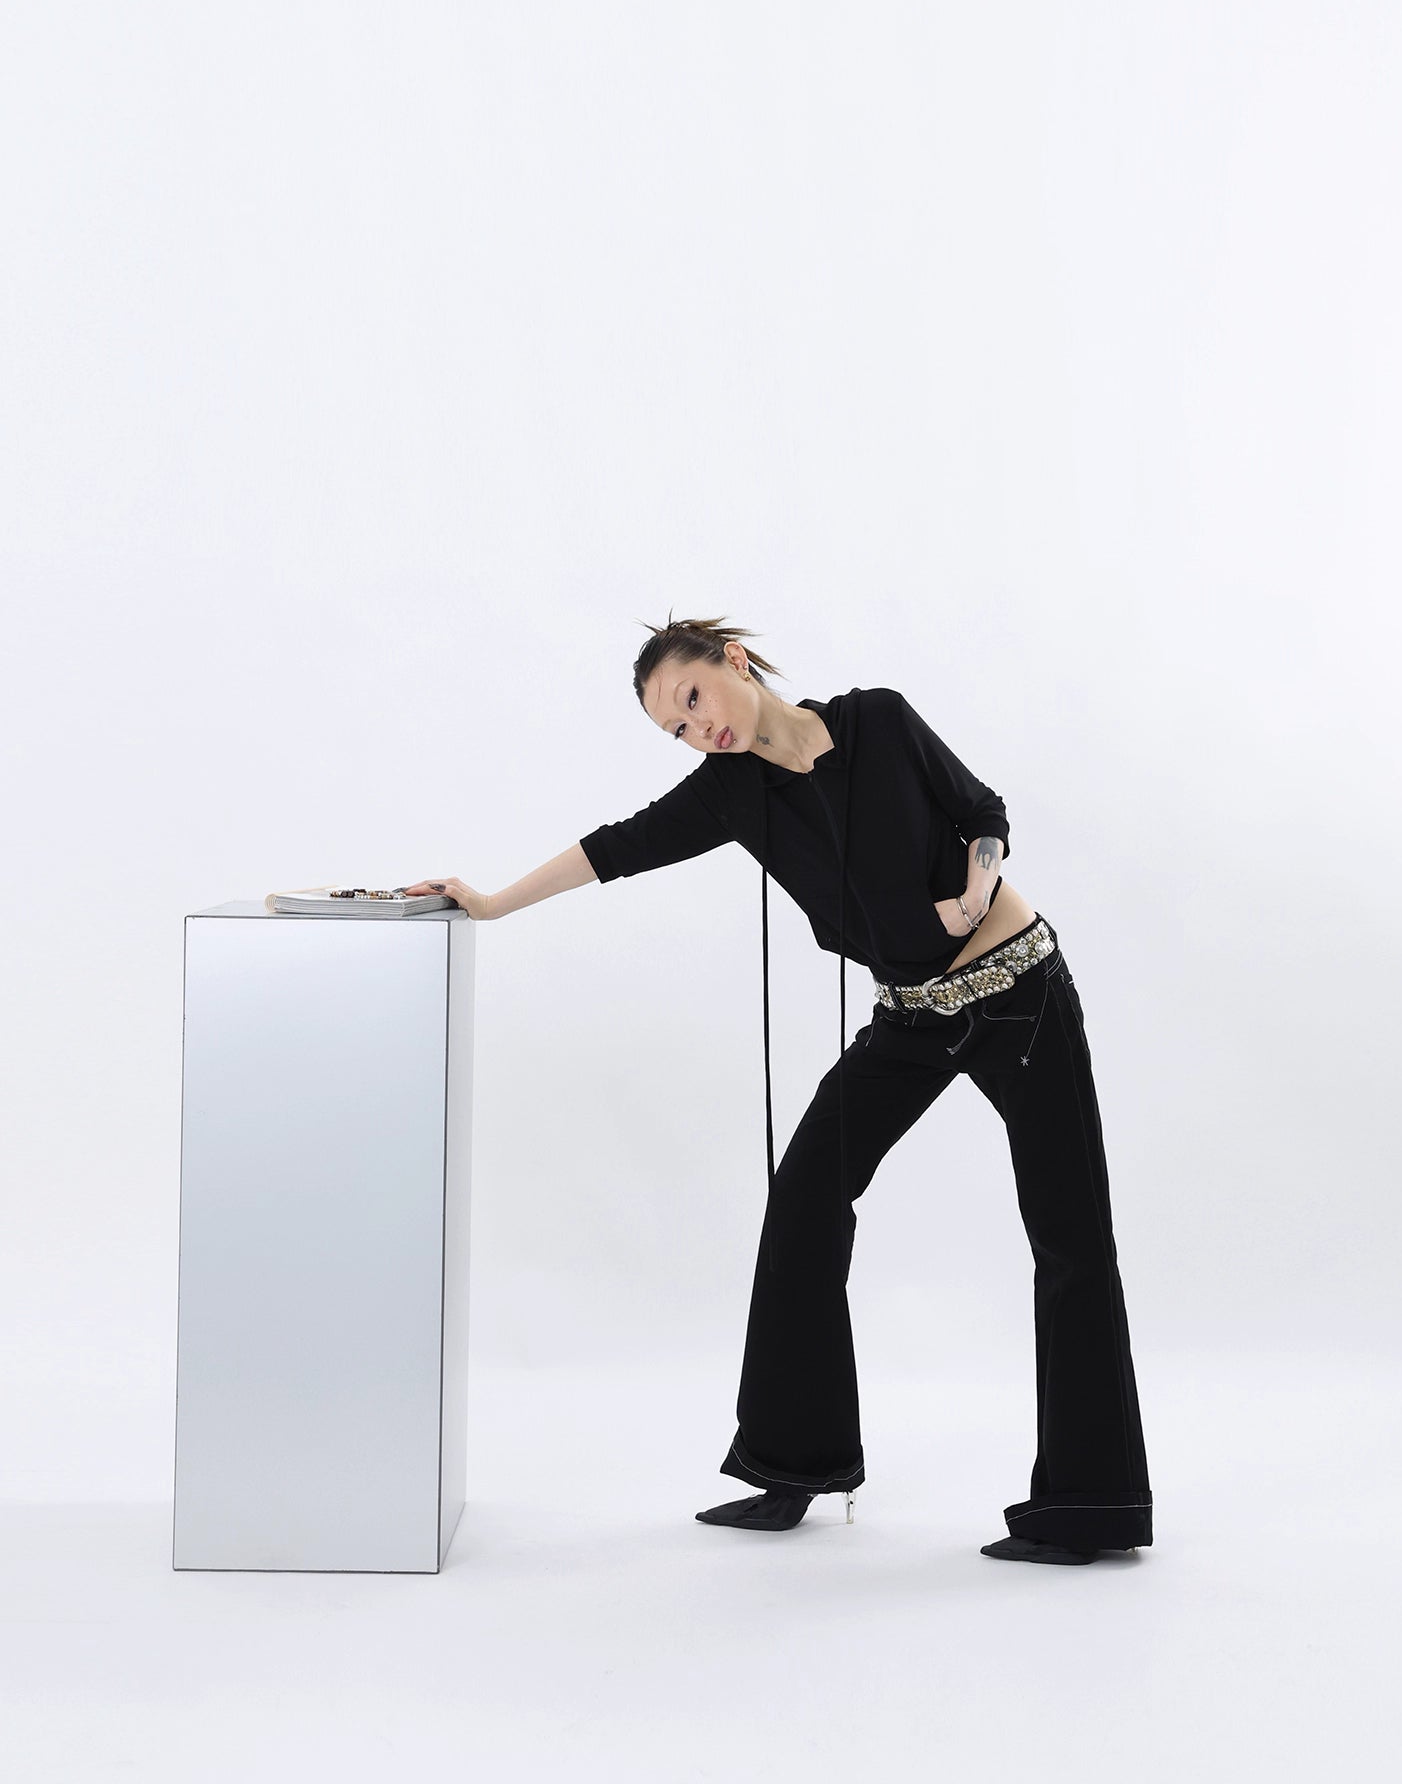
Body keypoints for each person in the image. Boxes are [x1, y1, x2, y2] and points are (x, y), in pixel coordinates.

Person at [404, 614, 1152, 1566]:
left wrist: (972, 895)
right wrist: (491, 902)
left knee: (1069, 1231)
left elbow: (984, 813)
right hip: (911, 1020)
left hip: (1020, 995)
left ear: (734, 661)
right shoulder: (731, 794)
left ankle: (1091, 1506)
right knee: (804, 1197)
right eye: (675, 729)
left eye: (691, 699)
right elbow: (614, 848)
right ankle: (793, 1465)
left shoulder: (878, 721)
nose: (696, 728)